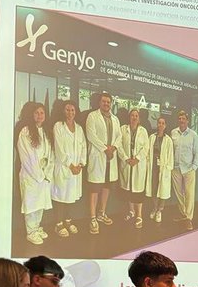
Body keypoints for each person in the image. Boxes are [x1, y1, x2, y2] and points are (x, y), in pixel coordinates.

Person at [15, 101, 53, 246]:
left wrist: (47, 172)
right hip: (31, 175)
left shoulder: (45, 131)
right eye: (36, 113)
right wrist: (38, 174)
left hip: (43, 174)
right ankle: (30, 231)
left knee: (40, 203)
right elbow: (27, 156)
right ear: (31, 115)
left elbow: (50, 154)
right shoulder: (25, 131)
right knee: (31, 203)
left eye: (42, 113)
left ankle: (36, 228)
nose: (39, 115)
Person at [84, 92, 120, 233]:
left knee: (106, 187)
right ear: (99, 103)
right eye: (104, 101)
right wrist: (106, 149)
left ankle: (101, 213)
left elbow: (119, 136)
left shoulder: (115, 119)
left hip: (110, 159)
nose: (106, 104)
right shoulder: (92, 116)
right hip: (99, 156)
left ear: (111, 103)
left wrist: (114, 147)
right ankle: (93, 218)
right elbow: (91, 135)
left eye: (108, 102)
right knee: (94, 189)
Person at [51, 100, 87, 237]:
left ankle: (68, 220)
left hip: (77, 169)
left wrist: (81, 164)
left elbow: (84, 147)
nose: (70, 113)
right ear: (62, 111)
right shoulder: (58, 126)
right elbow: (59, 149)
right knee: (61, 196)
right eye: (67, 110)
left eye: (72, 110)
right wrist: (71, 165)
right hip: (64, 168)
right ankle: (58, 224)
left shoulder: (79, 128)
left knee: (71, 196)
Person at [118, 107, 150, 228]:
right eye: (132, 115)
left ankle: (139, 216)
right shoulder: (123, 129)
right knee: (129, 190)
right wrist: (126, 158)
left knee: (138, 192)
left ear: (139, 118)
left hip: (138, 164)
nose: (134, 117)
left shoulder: (143, 131)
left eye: (136, 116)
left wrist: (136, 159)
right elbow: (119, 145)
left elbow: (146, 148)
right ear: (129, 117)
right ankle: (131, 212)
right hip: (127, 163)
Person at [170, 109, 198, 231]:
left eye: (184, 119)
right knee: (179, 194)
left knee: (189, 194)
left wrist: (194, 167)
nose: (181, 121)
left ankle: (188, 218)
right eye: (180, 119)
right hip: (176, 168)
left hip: (188, 169)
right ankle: (183, 214)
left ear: (187, 121)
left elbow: (197, 152)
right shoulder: (173, 133)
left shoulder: (193, 135)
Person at [146, 114, 174, 223]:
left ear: (165, 126)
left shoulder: (168, 140)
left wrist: (168, 168)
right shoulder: (152, 137)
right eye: (159, 123)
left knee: (162, 189)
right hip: (153, 168)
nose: (161, 125)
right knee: (154, 188)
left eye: (163, 123)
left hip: (163, 168)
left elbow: (171, 155)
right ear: (157, 125)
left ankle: (160, 210)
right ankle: (154, 208)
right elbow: (148, 152)